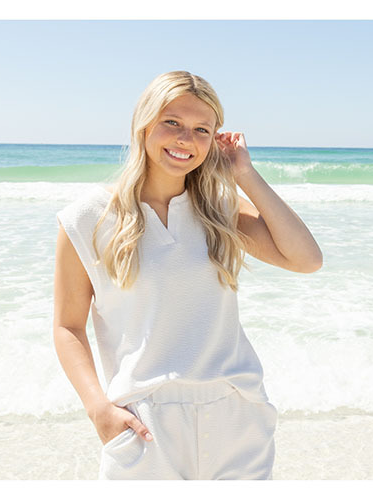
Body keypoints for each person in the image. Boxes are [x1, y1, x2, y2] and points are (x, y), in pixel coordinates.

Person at [52, 70, 322, 480]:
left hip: (235, 414)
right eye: (172, 123)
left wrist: (245, 174)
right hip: (145, 423)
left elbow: (306, 259)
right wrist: (98, 410)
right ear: (144, 125)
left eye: (201, 129)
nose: (185, 139)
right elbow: (67, 326)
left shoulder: (220, 212)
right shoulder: (87, 219)